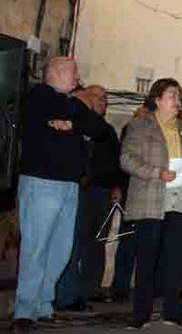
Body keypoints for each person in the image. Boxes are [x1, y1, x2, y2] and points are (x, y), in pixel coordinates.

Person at [12, 57, 108, 333]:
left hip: (69, 186)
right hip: (41, 183)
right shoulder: (39, 95)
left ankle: (43, 305)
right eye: (74, 72)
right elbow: (71, 109)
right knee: (36, 248)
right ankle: (24, 310)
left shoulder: (69, 103)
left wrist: (73, 124)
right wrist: (79, 106)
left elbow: (98, 128)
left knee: (61, 251)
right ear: (55, 72)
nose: (79, 78)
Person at [120, 78, 182, 329]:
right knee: (147, 259)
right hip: (150, 200)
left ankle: (173, 311)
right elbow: (126, 159)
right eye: (171, 96)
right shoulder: (139, 125)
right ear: (157, 100)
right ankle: (140, 313)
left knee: (177, 260)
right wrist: (156, 172)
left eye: (179, 96)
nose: (177, 101)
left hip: (180, 201)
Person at [55, 85, 123, 310]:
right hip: (81, 190)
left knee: (97, 243)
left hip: (103, 192)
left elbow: (116, 161)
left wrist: (117, 186)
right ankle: (68, 293)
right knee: (74, 241)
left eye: (106, 98)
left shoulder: (107, 130)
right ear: (86, 99)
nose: (104, 102)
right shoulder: (76, 123)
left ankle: (91, 290)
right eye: (99, 97)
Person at [108, 105, 147, 304]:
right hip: (130, 194)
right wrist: (117, 186)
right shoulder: (130, 132)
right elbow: (121, 163)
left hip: (148, 195)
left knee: (147, 246)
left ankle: (142, 289)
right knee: (127, 244)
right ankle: (120, 287)